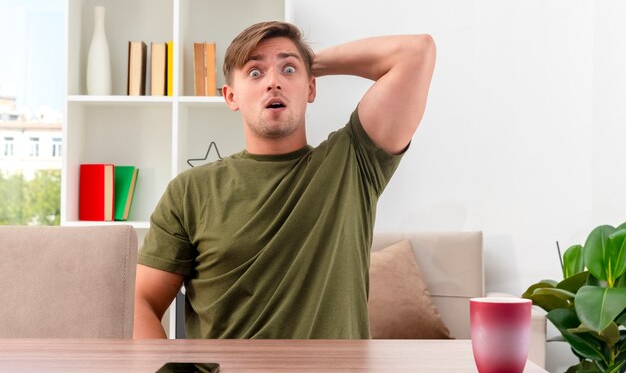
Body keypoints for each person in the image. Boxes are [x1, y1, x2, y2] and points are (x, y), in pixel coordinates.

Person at [133, 21, 436, 339]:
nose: (273, 82)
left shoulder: (353, 162)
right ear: (231, 96)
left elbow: (417, 52)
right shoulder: (189, 191)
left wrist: (309, 61)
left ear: (311, 88)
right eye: (254, 72)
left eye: (288, 70)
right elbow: (143, 302)